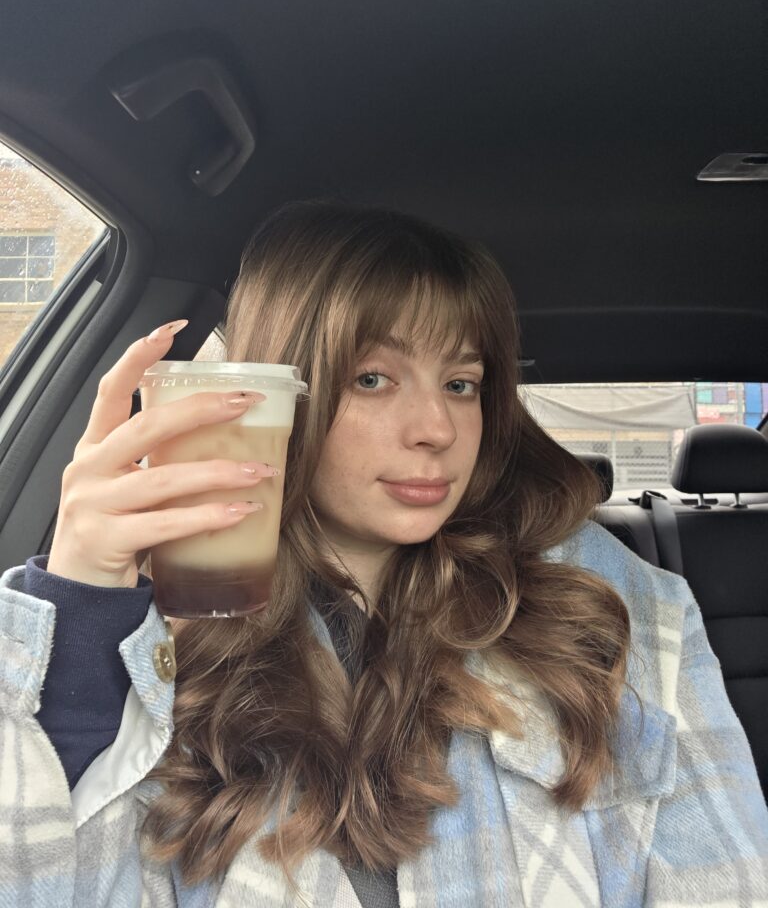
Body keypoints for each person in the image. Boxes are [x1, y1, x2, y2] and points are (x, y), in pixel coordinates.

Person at [1, 199, 767, 908]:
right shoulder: (164, 619)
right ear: (278, 390)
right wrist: (82, 614)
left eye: (462, 383)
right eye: (372, 378)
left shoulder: (612, 606)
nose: (437, 427)